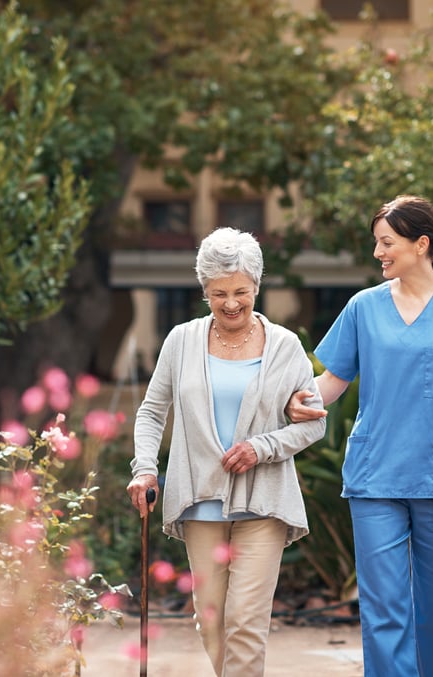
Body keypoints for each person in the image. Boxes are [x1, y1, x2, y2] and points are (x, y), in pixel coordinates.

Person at [286, 195, 433, 677]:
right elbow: (330, 382)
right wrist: (293, 403)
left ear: (422, 244)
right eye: (376, 244)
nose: (378, 254)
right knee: (383, 609)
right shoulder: (362, 308)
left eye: (386, 243)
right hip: (376, 477)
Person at [128, 226, 327, 676]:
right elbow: (151, 412)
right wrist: (145, 469)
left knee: (246, 621)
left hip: (264, 501)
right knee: (211, 620)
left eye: (241, 291)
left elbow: (314, 425)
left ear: (257, 286)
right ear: (205, 291)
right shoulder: (181, 341)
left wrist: (263, 448)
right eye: (219, 293)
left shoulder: (284, 346)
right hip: (200, 500)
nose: (231, 303)